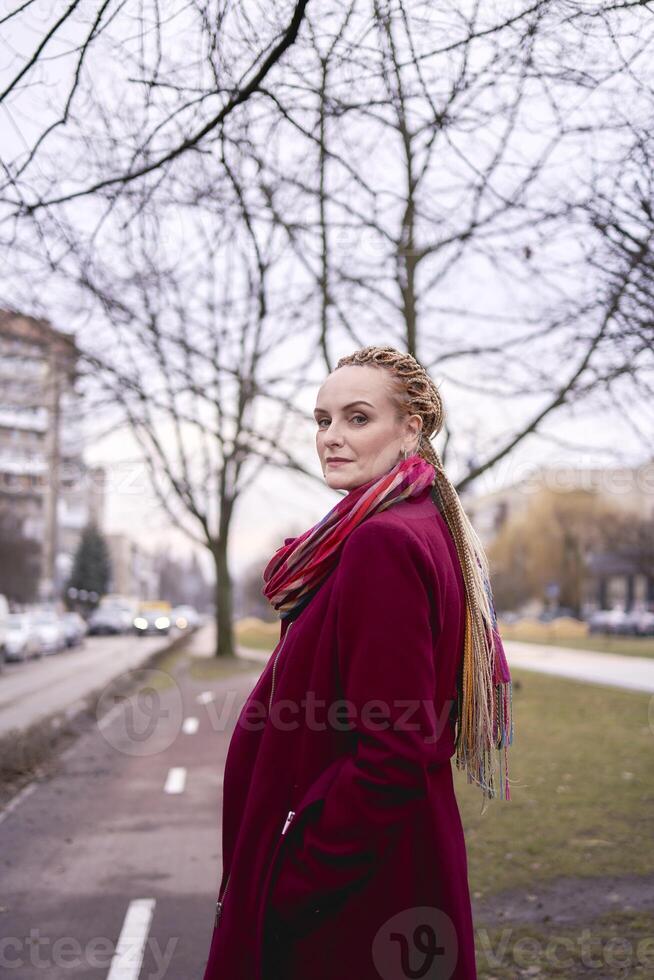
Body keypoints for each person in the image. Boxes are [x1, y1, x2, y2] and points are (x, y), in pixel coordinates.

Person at [201, 345, 513, 980]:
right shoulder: (420, 522)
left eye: (357, 418)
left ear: (411, 429)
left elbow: (393, 751)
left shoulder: (381, 541)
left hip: (358, 896)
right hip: (393, 868)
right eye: (322, 420)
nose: (331, 438)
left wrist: (296, 877)